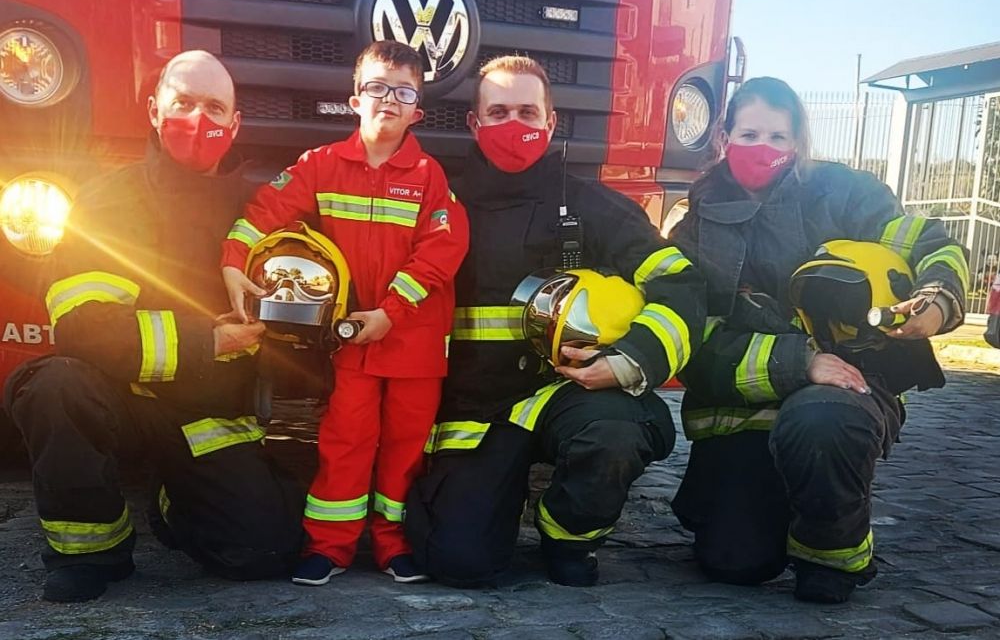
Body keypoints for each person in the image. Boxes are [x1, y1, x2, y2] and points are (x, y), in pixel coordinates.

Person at [3, 50, 304, 604]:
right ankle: (92, 551)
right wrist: (205, 339)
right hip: (114, 397)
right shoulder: (106, 200)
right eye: (183, 102)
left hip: (210, 412)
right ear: (154, 109)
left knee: (264, 551)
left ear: (235, 124)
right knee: (54, 384)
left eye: (215, 107)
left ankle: (175, 500)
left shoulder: (259, 211)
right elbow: (83, 327)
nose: (198, 119)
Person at [405, 55, 706, 587]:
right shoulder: (439, 203)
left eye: (527, 111)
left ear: (550, 123)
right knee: (460, 563)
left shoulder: (593, 206)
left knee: (615, 432)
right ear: (475, 124)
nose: (513, 125)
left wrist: (631, 359)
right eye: (498, 112)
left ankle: (568, 536)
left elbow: (681, 284)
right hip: (474, 410)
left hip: (565, 392)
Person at [668, 76, 968, 604]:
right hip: (743, 408)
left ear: (799, 142)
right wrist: (798, 362)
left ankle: (833, 551)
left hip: (843, 394)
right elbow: (696, 347)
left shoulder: (846, 194)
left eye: (778, 138)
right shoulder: (694, 227)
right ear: (724, 137)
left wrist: (938, 297)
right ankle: (743, 500)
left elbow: (929, 243)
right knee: (735, 562)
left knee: (823, 422)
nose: (763, 148)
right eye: (750, 133)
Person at [221, 41, 469, 586]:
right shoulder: (321, 166)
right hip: (354, 342)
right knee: (345, 439)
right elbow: (263, 213)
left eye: (403, 92)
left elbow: (441, 253)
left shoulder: (431, 178)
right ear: (354, 99)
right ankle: (329, 546)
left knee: (406, 448)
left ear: (417, 110)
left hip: (415, 344)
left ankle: (393, 544)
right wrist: (234, 263)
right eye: (377, 87)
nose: (389, 100)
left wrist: (392, 311)